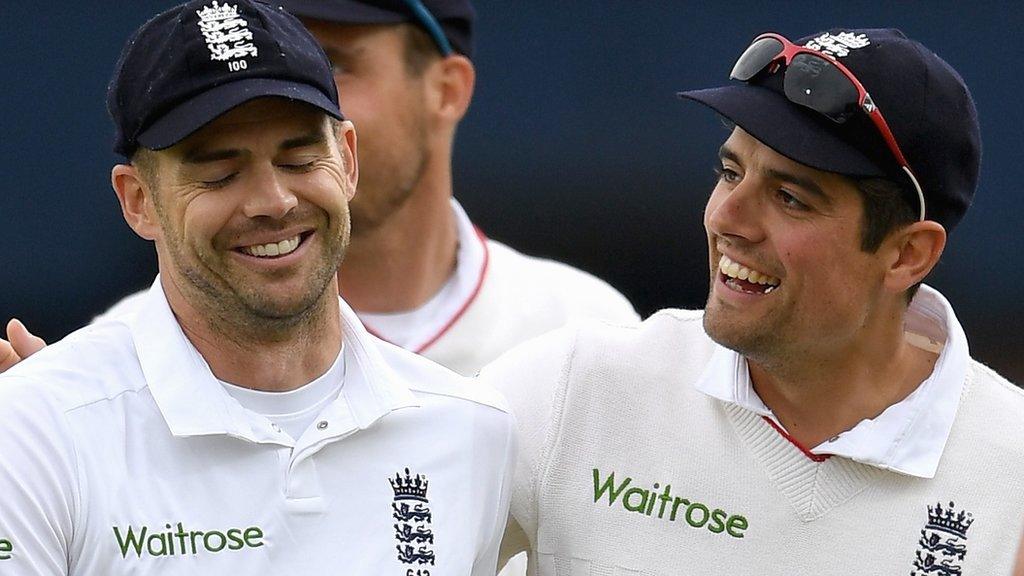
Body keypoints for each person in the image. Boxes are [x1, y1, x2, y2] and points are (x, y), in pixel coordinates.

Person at [0, 1, 514, 573]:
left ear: (346, 159)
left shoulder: (470, 428)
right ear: (137, 200)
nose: (273, 201)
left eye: (298, 158)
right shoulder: (32, 434)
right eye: (219, 173)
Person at [485, 28, 1024, 573]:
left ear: (908, 254)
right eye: (730, 172)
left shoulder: (1012, 474)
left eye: (790, 198)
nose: (725, 218)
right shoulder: (570, 388)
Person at [0, 0, 638, 376]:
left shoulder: (587, 328)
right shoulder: (132, 348)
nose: (280, 92)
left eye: (328, 61)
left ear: (446, 89)